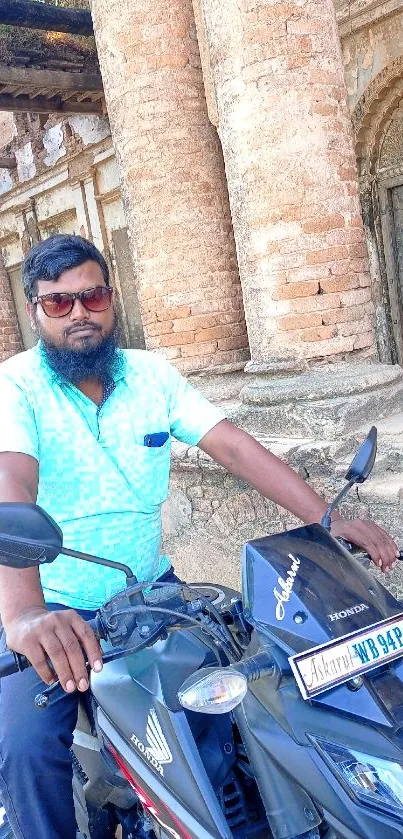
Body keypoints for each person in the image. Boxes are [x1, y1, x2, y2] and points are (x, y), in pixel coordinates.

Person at [0, 234, 397, 838]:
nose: (79, 314)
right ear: (36, 311)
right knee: (27, 748)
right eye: (59, 304)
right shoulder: (17, 386)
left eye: (93, 296)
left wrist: (325, 521)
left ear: (112, 301)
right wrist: (25, 613)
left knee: (238, 697)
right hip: (56, 602)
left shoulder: (151, 374)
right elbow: (12, 483)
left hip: (150, 591)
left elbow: (231, 445)